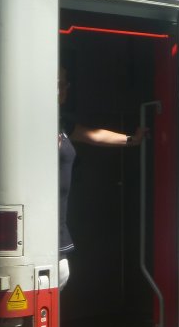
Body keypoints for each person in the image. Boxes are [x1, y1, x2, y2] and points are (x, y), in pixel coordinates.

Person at [58, 63, 146, 290]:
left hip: (58, 222)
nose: (65, 89)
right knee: (59, 275)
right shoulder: (34, 123)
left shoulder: (60, 123)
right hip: (46, 221)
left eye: (66, 84)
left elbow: (94, 136)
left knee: (60, 274)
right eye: (60, 84)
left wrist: (131, 140)